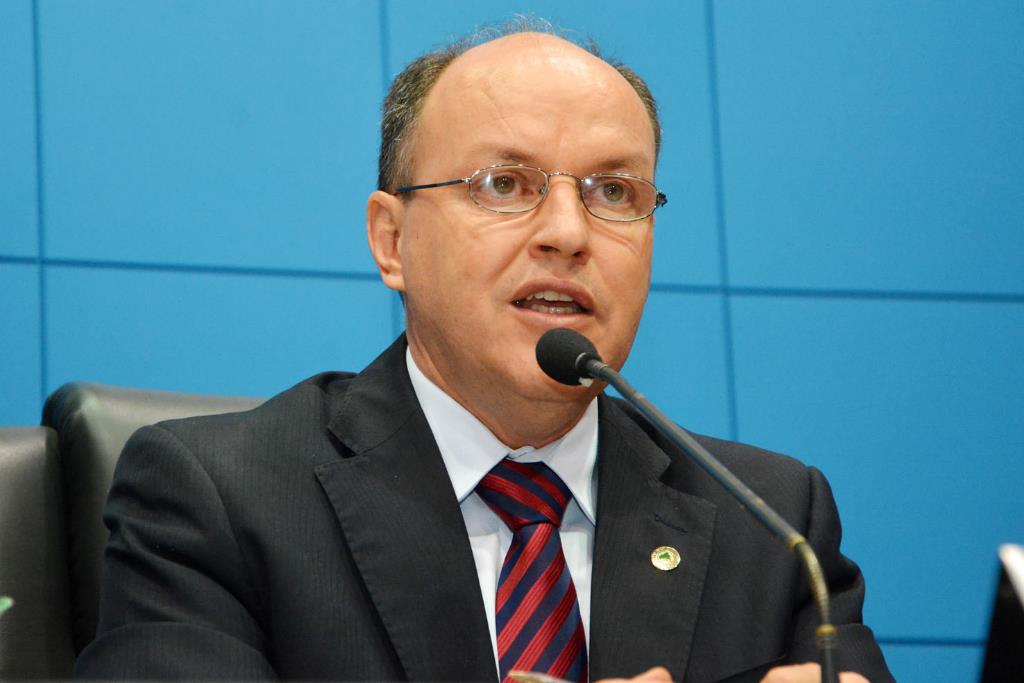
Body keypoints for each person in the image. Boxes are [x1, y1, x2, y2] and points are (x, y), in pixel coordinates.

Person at [76, 23, 894, 683]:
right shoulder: (216, 499)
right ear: (391, 241)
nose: (568, 233)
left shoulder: (774, 525)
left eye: (614, 192)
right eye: (505, 184)